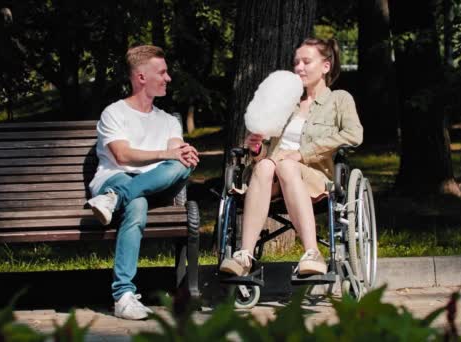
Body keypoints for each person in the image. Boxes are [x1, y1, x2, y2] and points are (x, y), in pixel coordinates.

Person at [219, 38, 363, 277]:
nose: (299, 68)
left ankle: (312, 253)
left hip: (314, 176)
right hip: (271, 176)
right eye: (296, 63)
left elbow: (354, 135)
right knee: (265, 166)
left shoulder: (339, 100)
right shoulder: (285, 103)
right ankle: (244, 255)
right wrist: (256, 149)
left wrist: (301, 154)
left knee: (285, 165)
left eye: (306, 62)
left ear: (326, 66)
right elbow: (266, 153)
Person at [87, 45, 199, 320]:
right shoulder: (114, 113)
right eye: (161, 72)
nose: (168, 78)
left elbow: (177, 155)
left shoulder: (168, 120)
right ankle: (123, 296)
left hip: (153, 184)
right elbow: (122, 155)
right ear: (140, 77)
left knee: (182, 166)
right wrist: (166, 153)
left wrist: (184, 153)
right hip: (113, 178)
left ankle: (115, 198)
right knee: (137, 204)